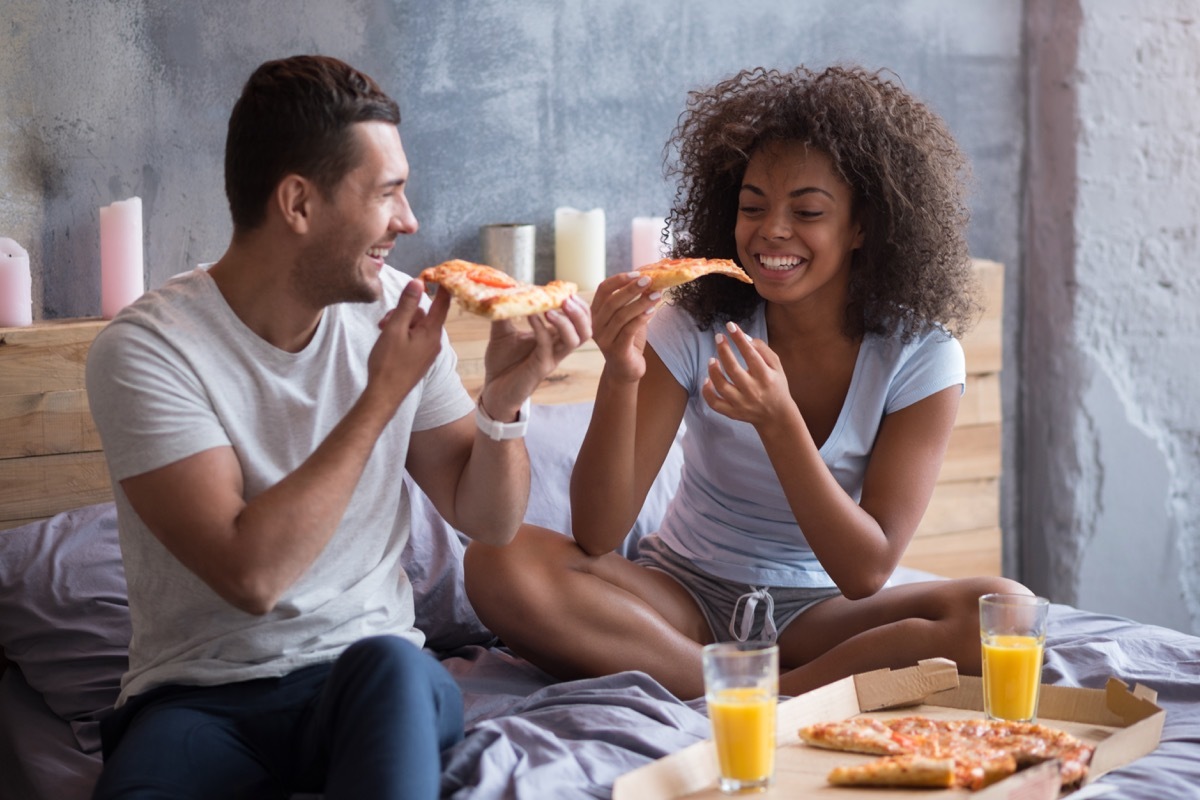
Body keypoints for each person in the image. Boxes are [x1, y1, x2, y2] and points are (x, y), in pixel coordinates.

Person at [84, 55, 591, 800]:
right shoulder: (147, 349)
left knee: (388, 666)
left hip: (372, 676)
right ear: (298, 203)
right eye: (387, 193)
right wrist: (382, 393)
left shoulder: (398, 311)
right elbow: (250, 576)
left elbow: (486, 519)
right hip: (201, 695)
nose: (410, 221)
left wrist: (505, 403)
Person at [464, 65, 1028, 701]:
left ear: (863, 226)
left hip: (821, 615)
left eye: (807, 210)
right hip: (680, 595)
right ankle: (773, 696)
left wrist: (778, 421)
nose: (773, 231)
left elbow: (867, 571)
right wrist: (622, 373)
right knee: (496, 561)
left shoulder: (922, 355)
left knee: (1002, 608)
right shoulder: (693, 323)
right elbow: (597, 535)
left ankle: (744, 689)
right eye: (752, 206)